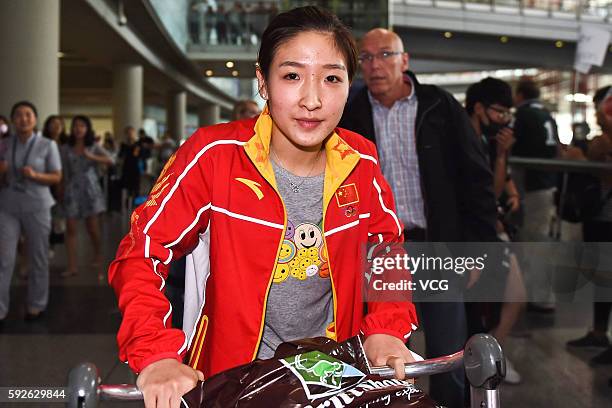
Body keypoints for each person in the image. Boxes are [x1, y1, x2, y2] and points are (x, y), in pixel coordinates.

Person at [109, 7, 419, 407]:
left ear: (348, 86)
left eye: (331, 78)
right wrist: (157, 354)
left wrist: (387, 326)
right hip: (231, 380)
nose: (312, 99)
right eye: (292, 76)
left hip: (333, 376)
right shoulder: (213, 155)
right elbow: (141, 250)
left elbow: (385, 247)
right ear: (263, 81)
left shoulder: (361, 160)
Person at [339, 28, 497, 407]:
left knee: (448, 355)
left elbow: (476, 179)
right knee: (384, 358)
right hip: (380, 253)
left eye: (386, 55)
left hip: (436, 245)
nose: (376, 66)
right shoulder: (351, 112)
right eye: (368, 58)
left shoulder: (438, 106)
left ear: (404, 61)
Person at [465, 77, 528, 384]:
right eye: (499, 111)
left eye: (507, 113)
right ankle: (485, 359)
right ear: (478, 108)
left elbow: (506, 185)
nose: (503, 120)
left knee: (513, 296)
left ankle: (492, 353)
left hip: (489, 232)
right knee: (490, 302)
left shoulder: (487, 140)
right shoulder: (465, 142)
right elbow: (491, 190)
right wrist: (502, 157)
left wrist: (513, 194)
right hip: (471, 236)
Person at [0, 101, 62, 323]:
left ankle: (37, 304)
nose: (23, 119)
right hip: (8, 205)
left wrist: (36, 176)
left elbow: (56, 176)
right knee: (4, 258)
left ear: (35, 119)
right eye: (18, 115)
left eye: (28, 115)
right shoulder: (4, 144)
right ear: (13, 120)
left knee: (38, 255)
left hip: (37, 204)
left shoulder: (47, 145)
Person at [565, 86, 612, 365]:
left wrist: (582, 161)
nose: (597, 114)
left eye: (601, 108)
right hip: (598, 216)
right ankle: (598, 332)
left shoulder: (603, 142)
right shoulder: (600, 140)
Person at [511, 77, 560, 313]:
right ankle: (537, 294)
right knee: (537, 240)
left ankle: (541, 297)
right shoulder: (546, 114)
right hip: (546, 183)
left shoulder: (523, 115)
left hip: (532, 186)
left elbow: (512, 145)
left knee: (535, 242)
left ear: (520, 95)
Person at [60, 115, 114, 278]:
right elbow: (63, 169)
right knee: (70, 228)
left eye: (82, 126)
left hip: (90, 189)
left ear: (87, 129)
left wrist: (93, 157)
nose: (78, 129)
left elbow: (111, 160)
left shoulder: (93, 146)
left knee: (92, 228)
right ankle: (72, 266)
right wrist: (61, 188)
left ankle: (97, 253)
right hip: (72, 189)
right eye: (76, 126)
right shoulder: (66, 148)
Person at [119, 126, 141, 210]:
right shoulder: (123, 145)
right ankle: (126, 204)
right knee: (126, 187)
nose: (130, 134)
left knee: (136, 187)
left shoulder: (137, 144)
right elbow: (121, 155)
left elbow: (137, 155)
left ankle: (136, 205)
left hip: (135, 167)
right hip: (126, 167)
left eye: (131, 132)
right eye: (128, 133)